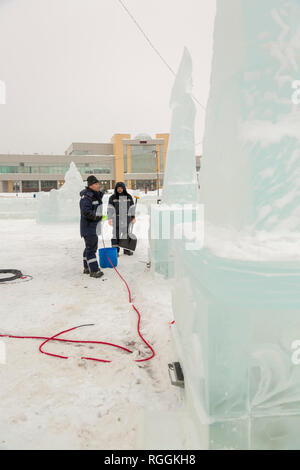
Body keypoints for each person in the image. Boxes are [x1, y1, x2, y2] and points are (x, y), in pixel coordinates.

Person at [79, 175, 104, 278]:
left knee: (88, 247)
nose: (98, 186)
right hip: (89, 227)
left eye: (98, 184)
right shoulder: (87, 197)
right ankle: (93, 270)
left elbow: (97, 199)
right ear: (90, 185)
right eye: (96, 184)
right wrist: (97, 217)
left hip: (92, 227)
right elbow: (86, 212)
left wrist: (101, 192)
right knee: (91, 249)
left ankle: (87, 267)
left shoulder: (93, 195)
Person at [107, 182, 136, 256]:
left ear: (124, 188)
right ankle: (115, 251)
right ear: (116, 189)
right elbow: (110, 209)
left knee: (126, 234)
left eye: (121, 188)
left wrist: (133, 217)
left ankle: (126, 250)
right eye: (118, 188)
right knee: (116, 235)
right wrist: (109, 218)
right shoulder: (112, 197)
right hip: (116, 219)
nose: (119, 189)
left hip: (127, 219)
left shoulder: (128, 197)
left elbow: (132, 208)